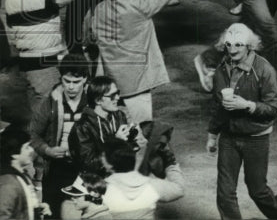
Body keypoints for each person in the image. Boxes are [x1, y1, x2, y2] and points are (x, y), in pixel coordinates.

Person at [88, 0, 177, 124]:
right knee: (141, 132)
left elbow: (89, 36)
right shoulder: (142, 6)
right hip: (137, 83)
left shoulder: (98, 8)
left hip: (109, 82)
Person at [206, 23, 277, 220]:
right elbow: (217, 106)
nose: (232, 49)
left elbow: (274, 109)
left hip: (256, 138)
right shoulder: (221, 70)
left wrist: (247, 105)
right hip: (229, 137)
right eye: (229, 44)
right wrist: (212, 135)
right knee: (225, 193)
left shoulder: (264, 70)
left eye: (239, 45)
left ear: (250, 45)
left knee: (257, 190)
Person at [29, 53, 91, 214]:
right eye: (66, 81)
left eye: (76, 82)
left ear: (85, 79)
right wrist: (47, 150)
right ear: (61, 78)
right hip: (57, 168)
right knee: (52, 213)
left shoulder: (93, 101)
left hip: (87, 169)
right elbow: (33, 134)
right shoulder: (50, 102)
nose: (71, 87)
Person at [101, 136, 184, 216]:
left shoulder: (99, 190)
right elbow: (178, 189)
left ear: (109, 165)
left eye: (102, 156)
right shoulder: (151, 185)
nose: (100, 158)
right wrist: (170, 163)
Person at [0, 125, 40, 220]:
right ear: (14, 154)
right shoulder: (8, 184)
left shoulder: (22, 176)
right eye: (26, 147)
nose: (31, 150)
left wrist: (36, 208)